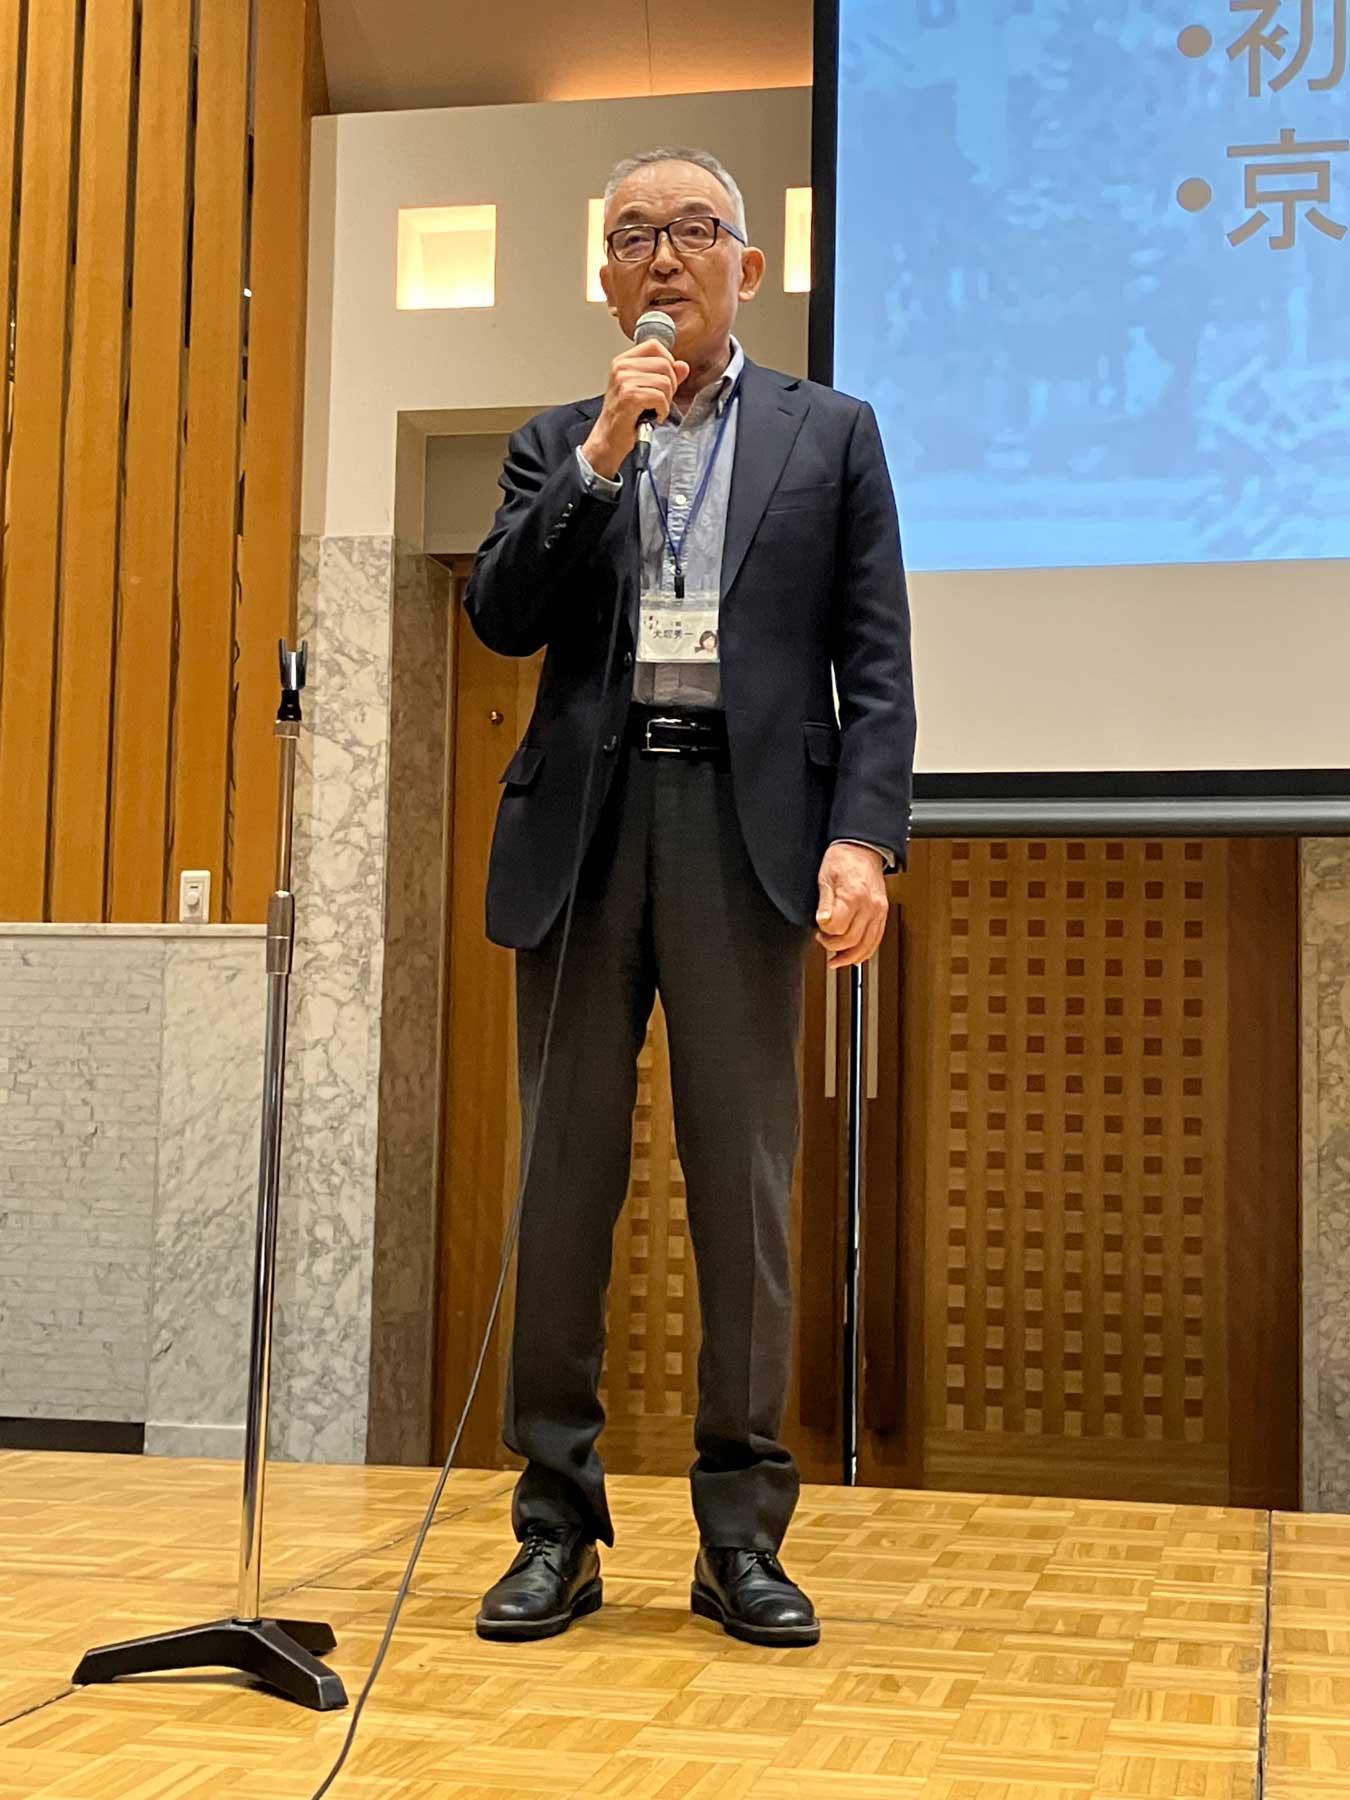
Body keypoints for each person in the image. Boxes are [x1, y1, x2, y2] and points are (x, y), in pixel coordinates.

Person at [466, 146, 915, 1649]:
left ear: (749, 264)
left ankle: (740, 1536)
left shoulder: (831, 433)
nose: (663, 256)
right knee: (562, 1186)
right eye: (634, 236)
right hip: (587, 838)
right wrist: (602, 450)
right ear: (607, 277)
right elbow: (500, 614)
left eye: (693, 230)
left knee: (745, 1191)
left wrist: (864, 840)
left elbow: (875, 661)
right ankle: (554, 1524)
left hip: (745, 831)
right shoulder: (559, 440)